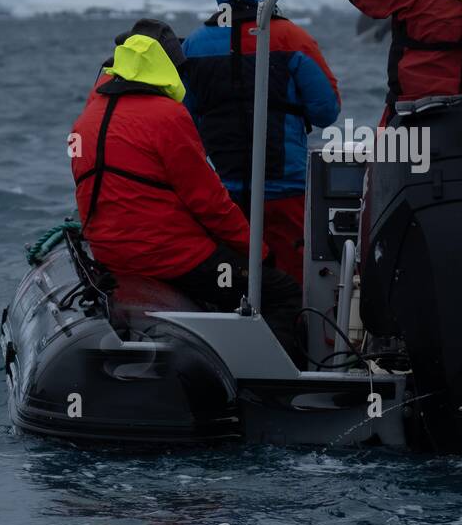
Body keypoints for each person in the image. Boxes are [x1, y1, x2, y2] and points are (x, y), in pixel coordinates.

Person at [70, 22, 304, 360]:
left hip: (110, 253)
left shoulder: (87, 118)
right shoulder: (167, 117)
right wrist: (258, 252)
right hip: (165, 258)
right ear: (167, 67)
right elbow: (210, 203)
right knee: (280, 292)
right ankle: (279, 389)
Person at [182, 0, 341, 284]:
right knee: (293, 281)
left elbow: (183, 123)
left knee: (234, 280)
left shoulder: (193, 46)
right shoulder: (293, 39)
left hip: (222, 194)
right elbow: (327, 111)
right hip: (285, 190)